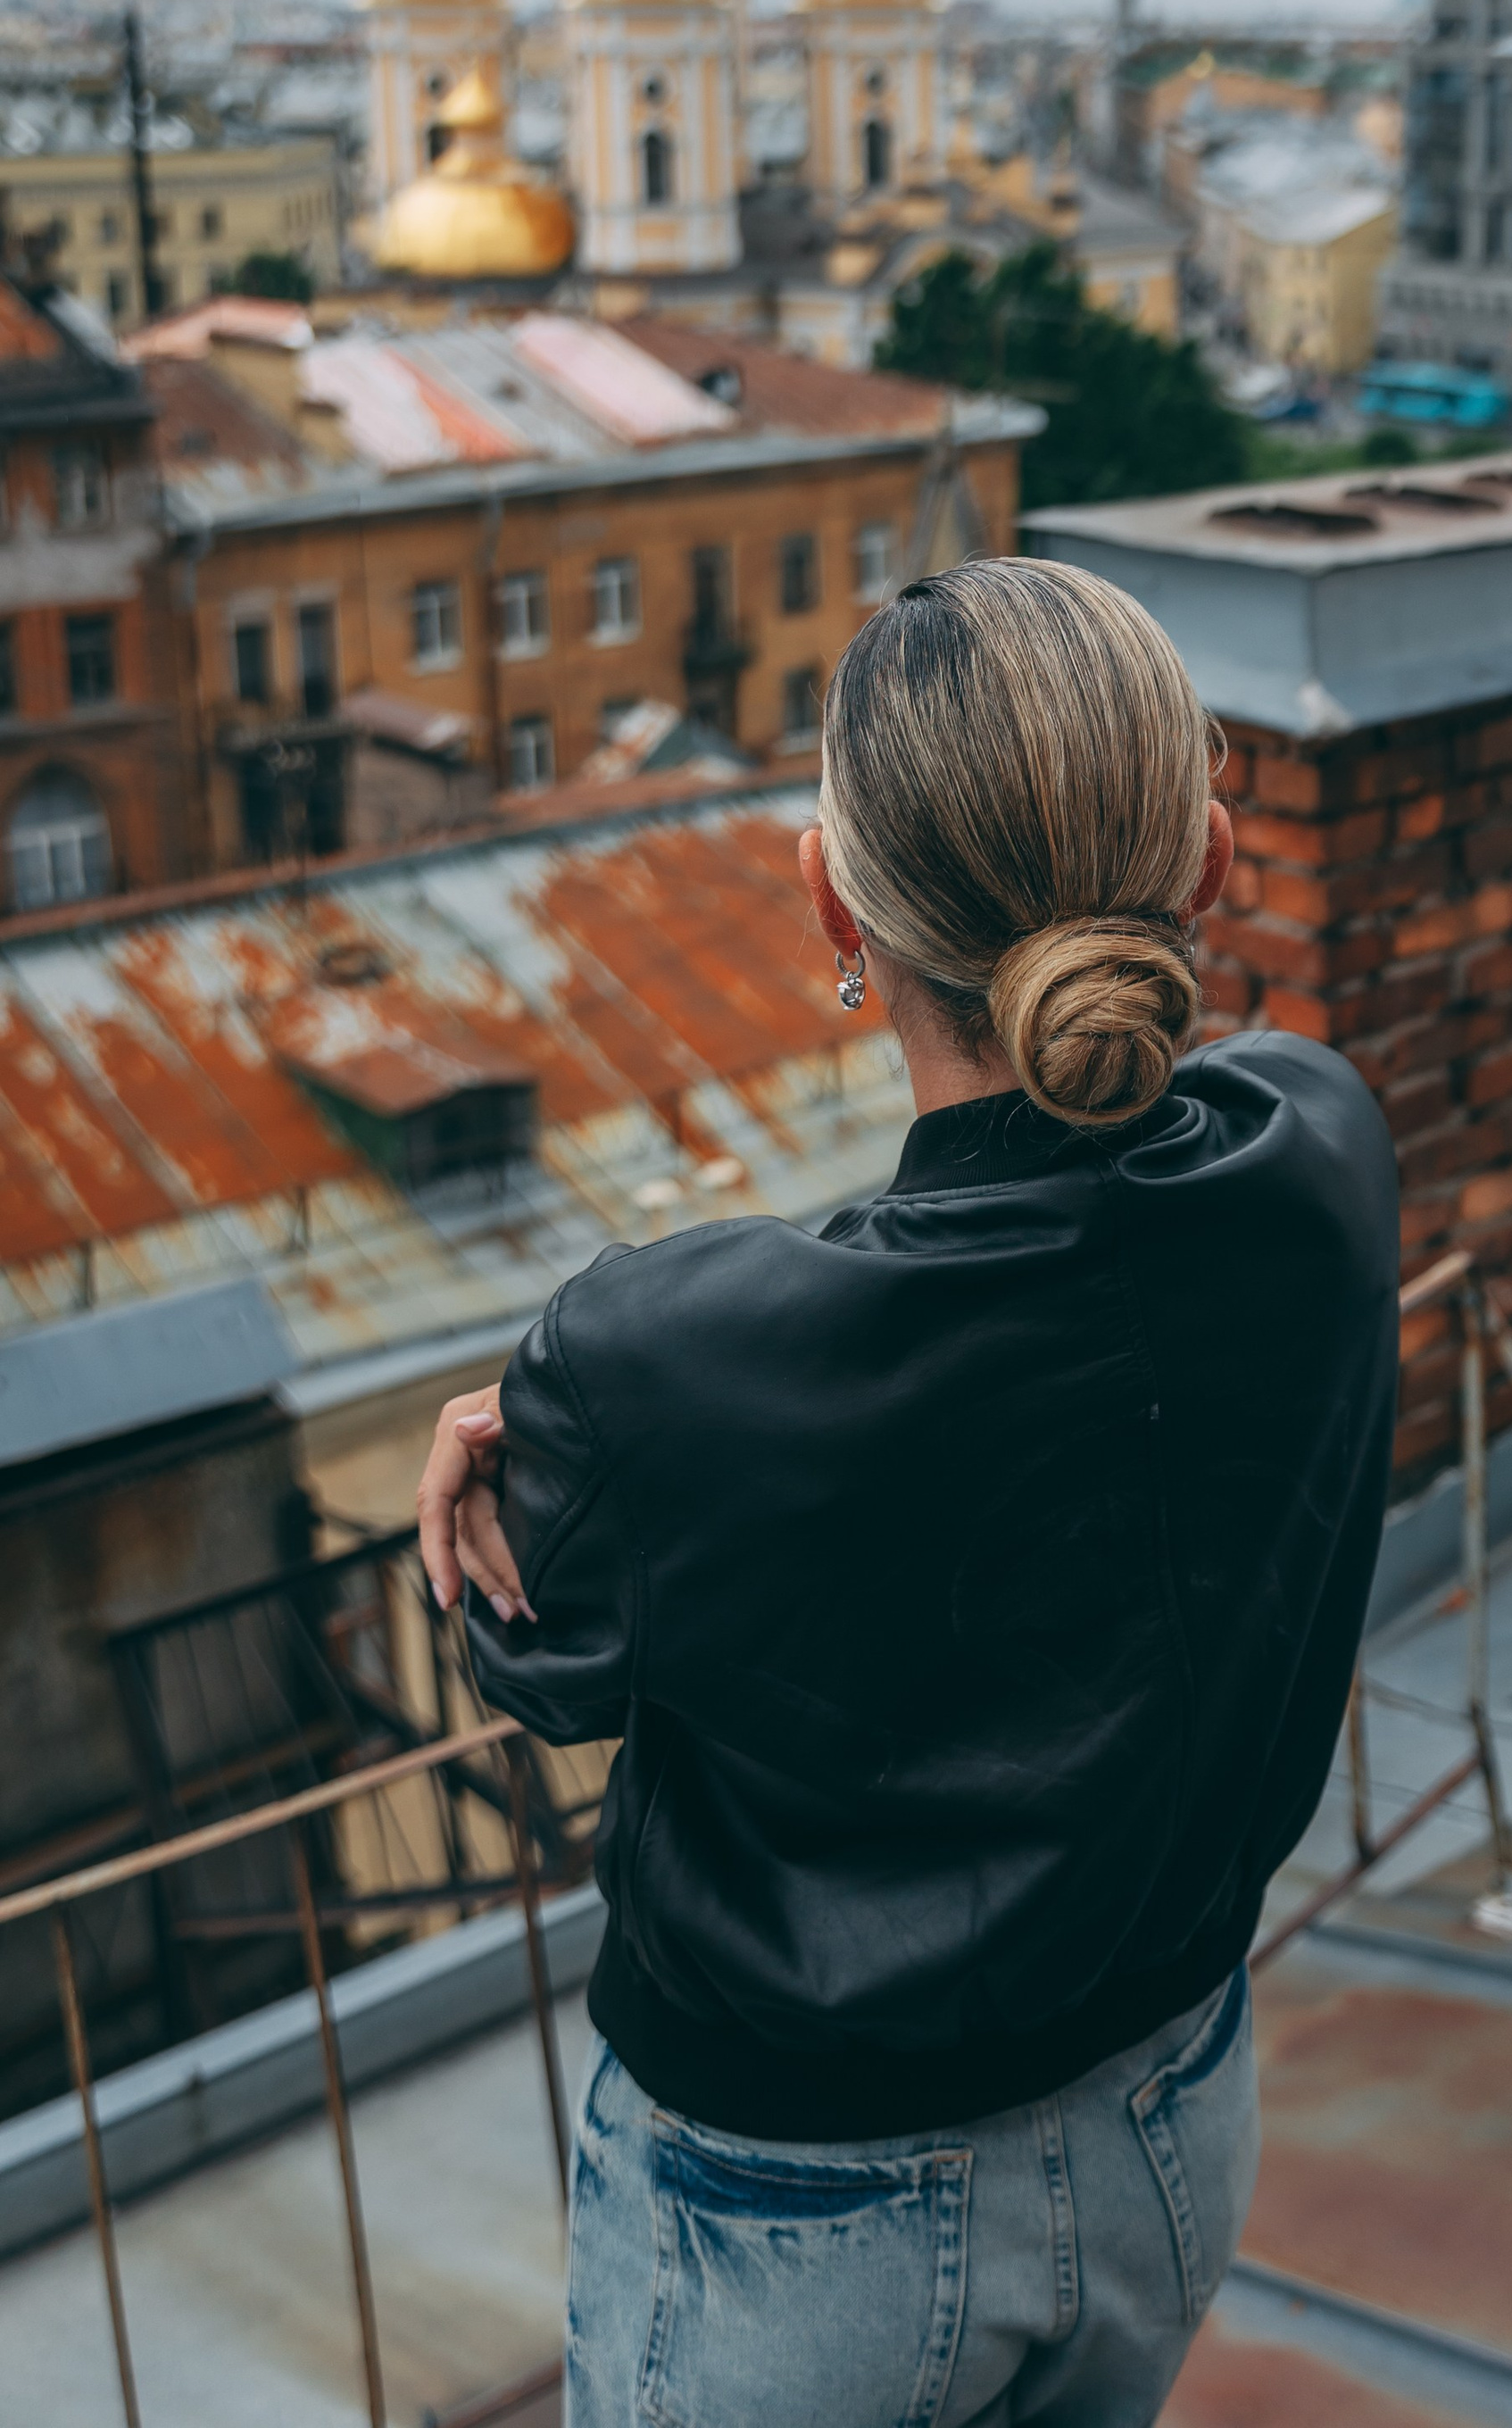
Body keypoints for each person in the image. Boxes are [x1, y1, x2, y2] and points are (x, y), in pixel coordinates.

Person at [418, 556, 1399, 2426]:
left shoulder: (659, 1359)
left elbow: (538, 1662)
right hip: (1172, 2110)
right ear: (1207, 860)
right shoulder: (1325, 1157)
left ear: (830, 901)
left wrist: (511, 1449)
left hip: (798, 2229)